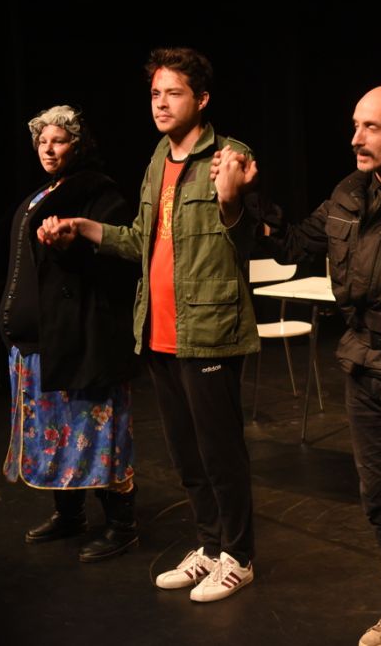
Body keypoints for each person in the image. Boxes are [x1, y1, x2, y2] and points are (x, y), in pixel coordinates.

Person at [216, 84, 381, 646]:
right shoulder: (347, 194)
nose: (356, 138)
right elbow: (292, 245)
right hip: (361, 365)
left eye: (371, 127)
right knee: (378, 498)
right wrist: (246, 196)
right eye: (355, 125)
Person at [38, 48, 260, 602]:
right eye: (155, 93)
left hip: (209, 330)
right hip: (159, 329)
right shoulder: (159, 158)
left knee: (220, 453)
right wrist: (84, 227)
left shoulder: (229, 156)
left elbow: (244, 234)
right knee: (187, 454)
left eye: (173, 93)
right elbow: (141, 240)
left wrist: (232, 201)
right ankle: (210, 546)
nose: (160, 103)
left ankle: (238, 556)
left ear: (201, 99)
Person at [0, 105, 138, 563]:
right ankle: (70, 514)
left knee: (96, 435)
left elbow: (119, 262)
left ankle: (122, 524)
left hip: (79, 342)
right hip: (35, 348)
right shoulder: (41, 194)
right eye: (42, 142)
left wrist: (71, 247)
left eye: (58, 140)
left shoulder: (98, 193)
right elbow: (18, 255)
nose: (48, 149)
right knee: (54, 437)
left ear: (77, 145)